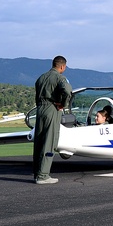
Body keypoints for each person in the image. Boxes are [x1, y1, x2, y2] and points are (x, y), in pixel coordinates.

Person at [33, 55, 73, 185]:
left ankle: (37, 173)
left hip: (40, 109)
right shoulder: (60, 78)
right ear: (62, 66)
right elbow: (68, 90)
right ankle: (43, 175)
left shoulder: (41, 78)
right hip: (52, 108)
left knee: (39, 142)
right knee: (49, 141)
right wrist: (63, 104)